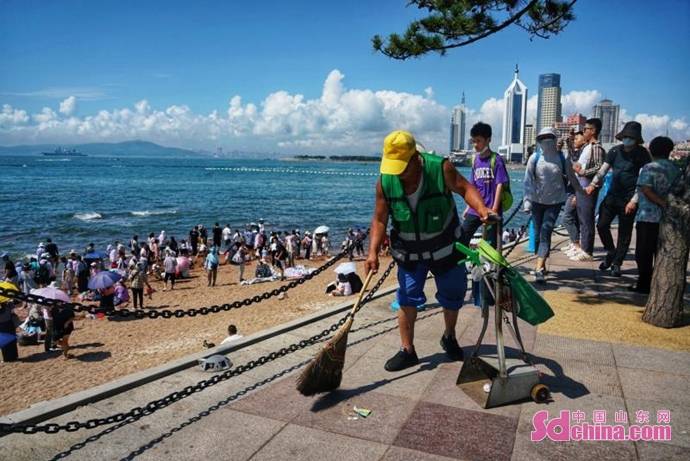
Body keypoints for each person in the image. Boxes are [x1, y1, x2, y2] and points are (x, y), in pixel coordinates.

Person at [365, 130, 492, 372]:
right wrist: (372, 252)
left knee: (453, 295)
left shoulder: (440, 168)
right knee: (407, 298)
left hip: (445, 246)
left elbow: (465, 188)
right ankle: (407, 350)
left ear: (416, 158)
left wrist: (482, 209)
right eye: (393, 168)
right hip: (409, 251)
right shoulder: (385, 181)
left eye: (402, 167)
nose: (398, 174)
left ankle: (449, 336)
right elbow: (380, 219)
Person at [586, 121, 651, 277]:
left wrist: (634, 201)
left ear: (637, 139)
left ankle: (617, 263)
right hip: (612, 196)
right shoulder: (615, 151)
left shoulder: (642, 154)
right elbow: (603, 170)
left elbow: (644, 178)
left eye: (631, 137)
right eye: (626, 136)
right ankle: (611, 251)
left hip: (629, 198)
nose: (628, 139)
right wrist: (593, 184)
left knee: (625, 232)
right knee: (601, 225)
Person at [523, 127, 583, 283]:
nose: (546, 142)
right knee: (537, 233)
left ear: (555, 140)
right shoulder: (534, 158)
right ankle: (541, 259)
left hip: (555, 202)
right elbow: (528, 181)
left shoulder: (562, 159)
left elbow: (571, 177)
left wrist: (580, 192)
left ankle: (538, 268)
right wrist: (527, 201)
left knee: (545, 231)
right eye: (543, 139)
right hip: (536, 202)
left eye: (549, 138)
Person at [627, 137, 681, 294]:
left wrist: (662, 203)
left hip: (648, 216)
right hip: (668, 218)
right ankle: (660, 285)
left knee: (643, 253)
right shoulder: (675, 169)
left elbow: (646, 189)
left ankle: (644, 284)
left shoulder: (649, 167)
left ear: (651, 149)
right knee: (661, 252)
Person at [460, 122, 509, 247]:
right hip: (475, 207)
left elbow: (499, 185)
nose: (475, 144)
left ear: (488, 140)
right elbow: (472, 186)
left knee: (493, 244)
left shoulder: (496, 160)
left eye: (479, 141)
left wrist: (494, 209)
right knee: (462, 237)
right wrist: (467, 207)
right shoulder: (475, 160)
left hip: (491, 209)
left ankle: (494, 266)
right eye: (473, 141)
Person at [569, 119, 606, 261]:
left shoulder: (596, 147)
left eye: (586, 129)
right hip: (581, 187)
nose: (583, 131)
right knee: (582, 219)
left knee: (586, 219)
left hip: (588, 188)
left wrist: (583, 172)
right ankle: (583, 248)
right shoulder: (587, 147)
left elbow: (599, 167)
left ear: (593, 131)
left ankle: (587, 251)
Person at [561, 130, 584, 257]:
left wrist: (577, 194)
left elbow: (579, 177)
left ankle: (576, 245)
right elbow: (570, 147)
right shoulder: (574, 153)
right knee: (574, 218)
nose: (574, 140)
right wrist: (570, 137)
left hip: (574, 191)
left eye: (577, 139)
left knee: (567, 218)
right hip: (569, 189)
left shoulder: (581, 154)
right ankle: (573, 243)